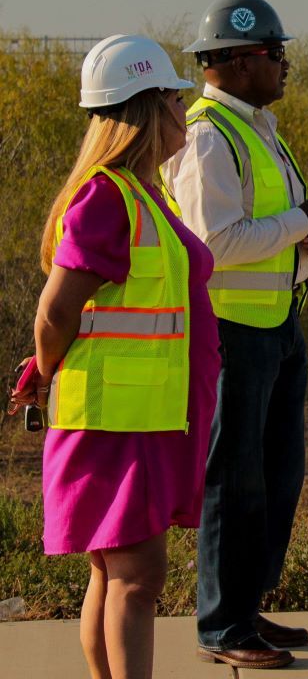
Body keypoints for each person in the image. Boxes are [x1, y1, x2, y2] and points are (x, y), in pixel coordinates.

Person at [8, 34, 216, 678]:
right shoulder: (108, 198)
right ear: (147, 108)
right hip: (115, 422)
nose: (184, 107)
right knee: (139, 576)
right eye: (175, 97)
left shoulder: (144, 193)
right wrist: (44, 374)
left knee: (114, 570)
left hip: (137, 418)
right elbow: (55, 311)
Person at [162, 0, 308, 669]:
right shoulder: (209, 133)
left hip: (276, 323)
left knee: (273, 475)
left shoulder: (257, 126)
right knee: (232, 479)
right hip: (235, 333)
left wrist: (301, 246)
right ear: (240, 62)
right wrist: (303, 221)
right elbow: (214, 240)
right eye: (276, 54)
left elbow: (259, 228)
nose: (286, 65)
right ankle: (221, 625)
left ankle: (245, 608)